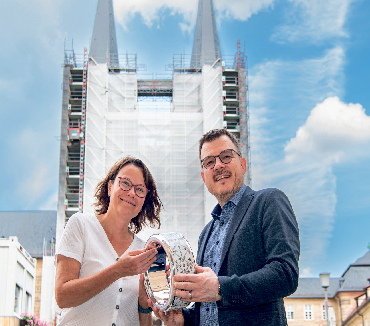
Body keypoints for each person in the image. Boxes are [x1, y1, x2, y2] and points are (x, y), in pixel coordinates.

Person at [150, 129, 300, 326]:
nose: (218, 165)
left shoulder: (268, 201)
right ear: (204, 177)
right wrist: (183, 320)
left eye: (226, 156)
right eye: (209, 162)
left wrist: (221, 288)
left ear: (243, 164)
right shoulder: (206, 233)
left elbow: (285, 274)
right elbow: (208, 307)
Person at [55, 156, 163, 325]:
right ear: (110, 187)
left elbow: (144, 321)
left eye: (140, 189)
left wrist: (143, 304)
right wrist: (117, 270)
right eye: (125, 183)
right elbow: (62, 296)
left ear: (144, 200)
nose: (132, 193)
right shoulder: (81, 225)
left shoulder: (144, 250)